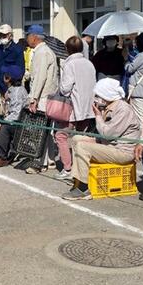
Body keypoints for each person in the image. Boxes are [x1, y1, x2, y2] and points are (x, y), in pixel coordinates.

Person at [62, 78, 142, 200]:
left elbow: (107, 134)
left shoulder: (123, 109)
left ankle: (83, 188)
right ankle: (78, 177)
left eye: (99, 95)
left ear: (106, 95)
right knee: (76, 138)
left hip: (123, 152)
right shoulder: (110, 106)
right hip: (111, 145)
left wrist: (98, 116)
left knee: (83, 147)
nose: (97, 98)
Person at [54, 36, 96, 180]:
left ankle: (67, 168)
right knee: (81, 137)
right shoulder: (89, 63)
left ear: (68, 49)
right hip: (88, 107)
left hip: (73, 107)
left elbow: (65, 89)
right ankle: (82, 167)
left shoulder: (69, 64)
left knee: (61, 135)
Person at [0, 66, 30, 168]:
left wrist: (1, 123)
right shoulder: (11, 89)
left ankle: (2, 158)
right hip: (11, 119)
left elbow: (16, 114)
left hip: (20, 123)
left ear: (9, 78)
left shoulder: (18, 91)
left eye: (5, 74)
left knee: (4, 128)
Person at [25, 25, 59, 115]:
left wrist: (34, 99)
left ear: (34, 37)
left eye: (28, 36)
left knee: (41, 126)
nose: (27, 39)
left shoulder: (42, 52)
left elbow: (40, 77)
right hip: (46, 97)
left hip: (42, 98)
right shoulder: (44, 50)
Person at [0, 24, 25, 96]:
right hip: (0, 88)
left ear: (10, 35)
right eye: (0, 35)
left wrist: (12, 85)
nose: (1, 37)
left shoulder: (17, 50)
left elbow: (21, 70)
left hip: (12, 88)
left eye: (4, 35)